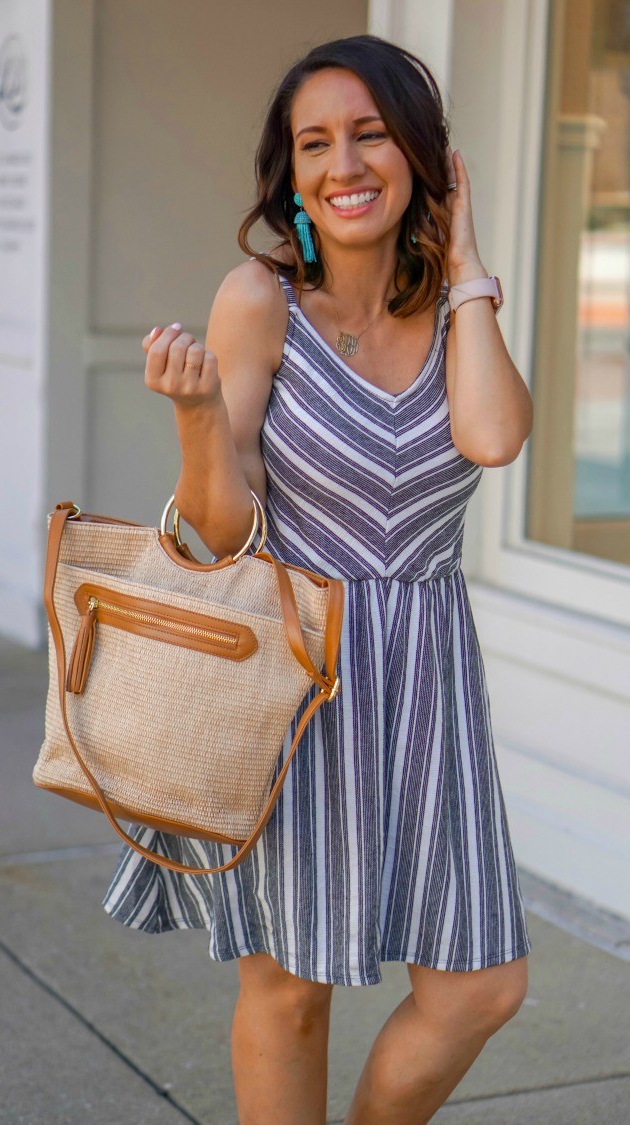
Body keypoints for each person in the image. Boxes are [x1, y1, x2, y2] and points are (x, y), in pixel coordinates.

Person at [102, 34, 534, 1124]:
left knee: (482, 985)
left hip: (430, 679)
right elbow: (222, 524)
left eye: (371, 134)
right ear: (290, 176)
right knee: (290, 988)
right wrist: (201, 421)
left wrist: (467, 252)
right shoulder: (261, 302)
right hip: (298, 674)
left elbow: (490, 437)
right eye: (315, 143)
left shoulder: (458, 310)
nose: (344, 163)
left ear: (421, 157)